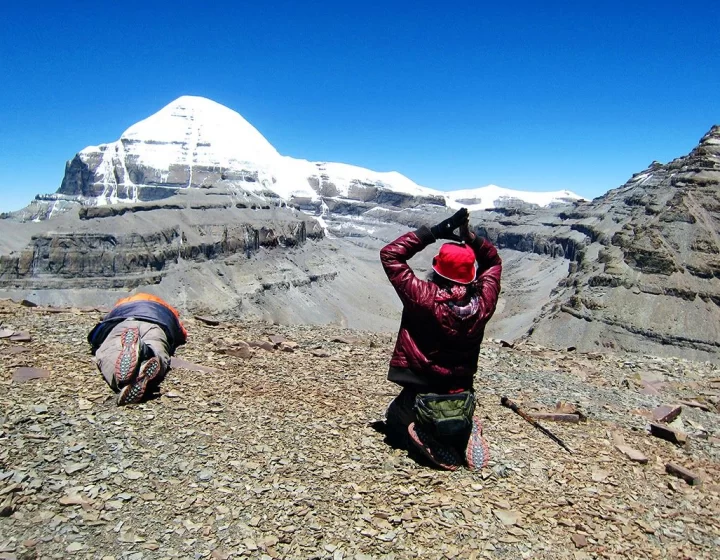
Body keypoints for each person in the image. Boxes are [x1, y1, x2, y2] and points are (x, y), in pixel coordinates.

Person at [379, 208, 502, 470]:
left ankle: (426, 437)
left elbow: (390, 254)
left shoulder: (423, 297)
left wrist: (434, 232)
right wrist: (472, 239)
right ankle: (464, 431)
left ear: (437, 269)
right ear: (471, 275)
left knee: (394, 421)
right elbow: (493, 264)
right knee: (452, 413)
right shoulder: (483, 304)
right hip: (462, 392)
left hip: (423, 390)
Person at [88, 293, 187, 405]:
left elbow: (96, 334)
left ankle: (121, 381)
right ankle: (148, 353)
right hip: (157, 324)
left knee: (110, 351)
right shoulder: (168, 310)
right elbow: (181, 334)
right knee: (158, 350)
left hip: (124, 323)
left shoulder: (120, 306)